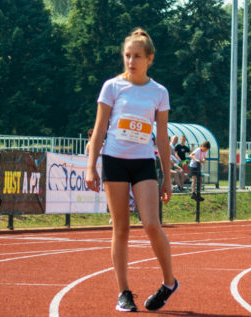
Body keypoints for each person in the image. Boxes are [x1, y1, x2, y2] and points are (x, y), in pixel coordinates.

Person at [84, 28, 177, 313]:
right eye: (127, 55)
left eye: (137, 56)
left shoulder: (158, 92)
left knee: (151, 224)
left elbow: (161, 138)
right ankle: (124, 292)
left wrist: (166, 178)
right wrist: (91, 166)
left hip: (142, 162)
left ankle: (169, 282)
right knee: (120, 228)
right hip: (114, 159)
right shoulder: (112, 87)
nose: (131, 61)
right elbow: (99, 129)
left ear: (149, 59)